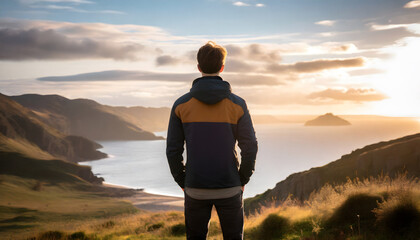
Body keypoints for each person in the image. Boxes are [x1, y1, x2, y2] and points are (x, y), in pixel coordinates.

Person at [166, 41, 258, 240]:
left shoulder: (181, 105)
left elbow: (173, 150)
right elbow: (250, 147)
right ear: (222, 67)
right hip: (230, 187)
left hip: (195, 187)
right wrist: (242, 179)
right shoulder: (238, 104)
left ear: (198, 67)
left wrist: (183, 180)